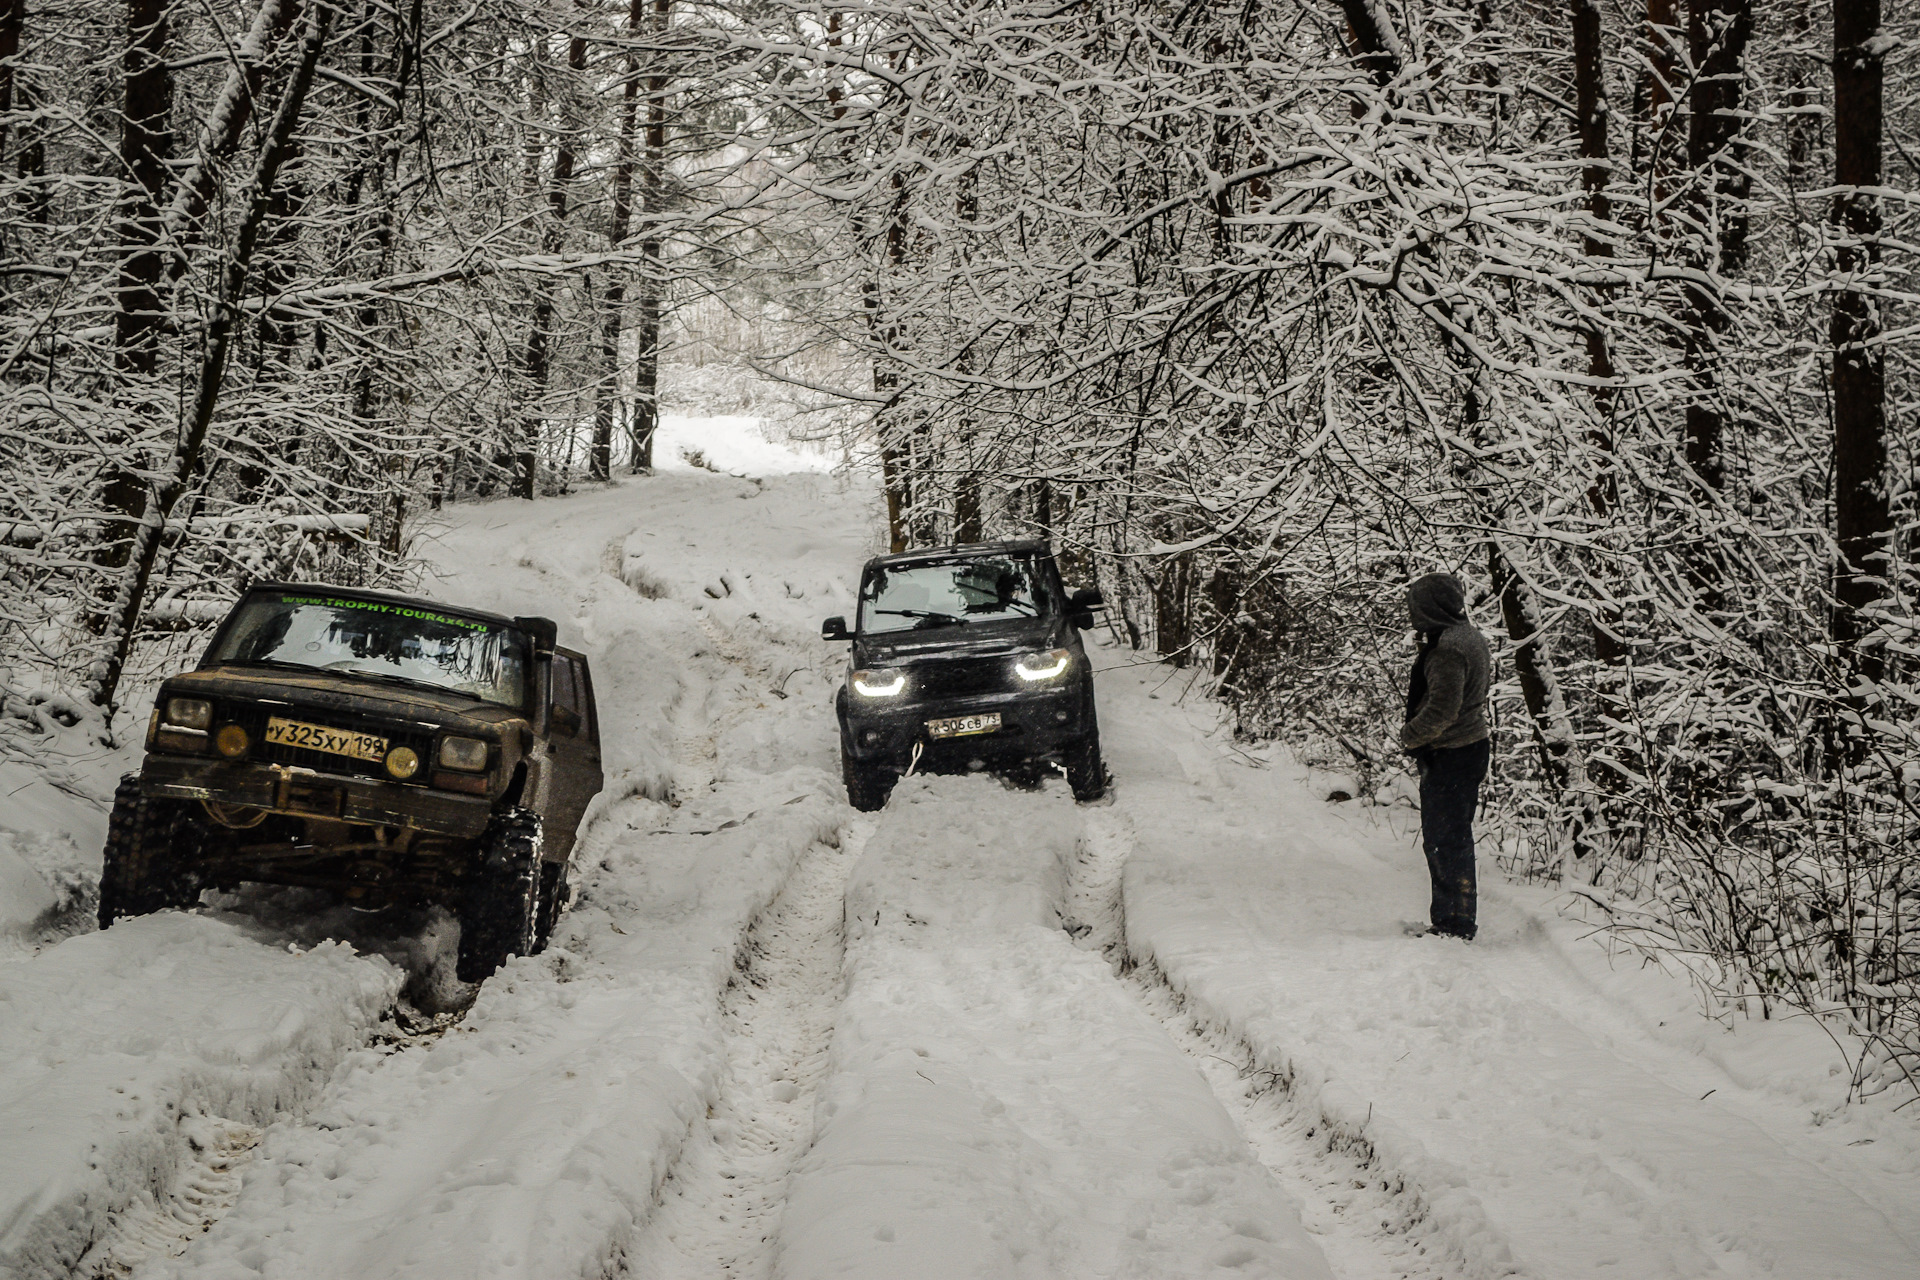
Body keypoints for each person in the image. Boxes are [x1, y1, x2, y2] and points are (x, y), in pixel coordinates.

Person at [1399, 573, 1492, 940]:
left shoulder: (1448, 647)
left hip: (1452, 752)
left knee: (1445, 839)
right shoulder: (1468, 636)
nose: (1412, 615)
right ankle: (1454, 920)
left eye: (1416, 606)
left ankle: (1454, 925)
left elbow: (1443, 708)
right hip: (1467, 748)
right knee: (1451, 836)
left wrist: (1410, 735)